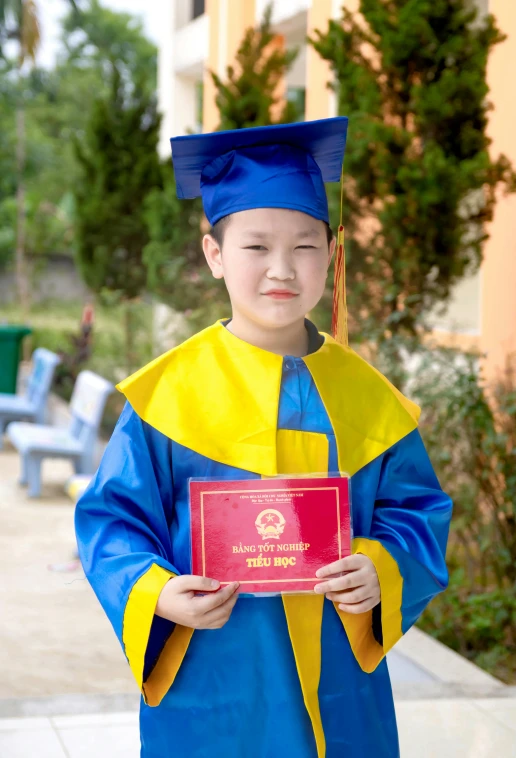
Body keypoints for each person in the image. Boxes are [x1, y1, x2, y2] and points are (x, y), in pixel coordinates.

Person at [75, 116, 452, 758]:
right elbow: (112, 522)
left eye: (305, 246)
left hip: (339, 685)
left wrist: (383, 569)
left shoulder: (365, 395)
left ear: (331, 254)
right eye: (256, 247)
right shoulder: (170, 394)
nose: (282, 269)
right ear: (214, 254)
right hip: (215, 679)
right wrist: (156, 590)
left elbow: (416, 511)